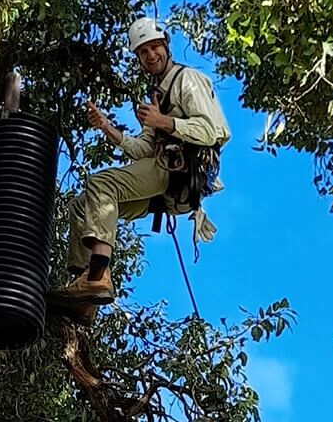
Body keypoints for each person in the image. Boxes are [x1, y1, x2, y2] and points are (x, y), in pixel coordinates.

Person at [53, 16, 230, 306]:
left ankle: (98, 275)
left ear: (166, 46)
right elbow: (142, 148)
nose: (150, 55)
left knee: (102, 183)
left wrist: (164, 121)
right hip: (163, 177)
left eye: (155, 47)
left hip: (179, 170)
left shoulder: (188, 79)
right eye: (143, 52)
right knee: (82, 205)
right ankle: (83, 292)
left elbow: (212, 132)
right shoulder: (157, 95)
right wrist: (106, 127)